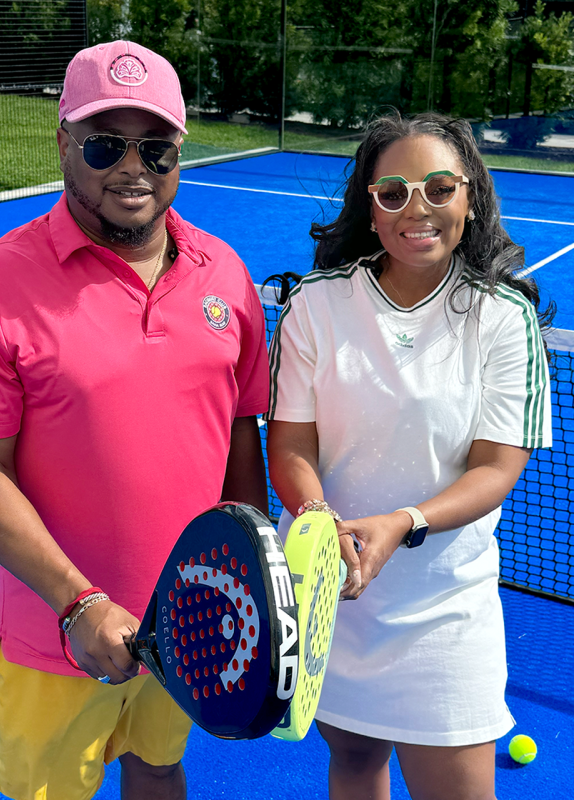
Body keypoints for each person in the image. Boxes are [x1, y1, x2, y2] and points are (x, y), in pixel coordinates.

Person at [0, 40, 269, 800]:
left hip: (192, 622)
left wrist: (256, 565)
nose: (132, 166)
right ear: (65, 144)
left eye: (157, 146)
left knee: (159, 767)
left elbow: (240, 428)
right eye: (105, 144)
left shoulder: (226, 275)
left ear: (179, 150)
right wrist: (80, 605)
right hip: (55, 635)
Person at [265, 112, 553, 800]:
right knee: (356, 762)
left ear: (471, 197)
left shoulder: (503, 316)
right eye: (392, 192)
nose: (415, 208)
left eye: (439, 188)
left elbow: (496, 468)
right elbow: (291, 443)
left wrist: (402, 522)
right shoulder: (314, 306)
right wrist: (318, 520)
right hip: (331, 594)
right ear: (369, 207)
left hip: (447, 609)